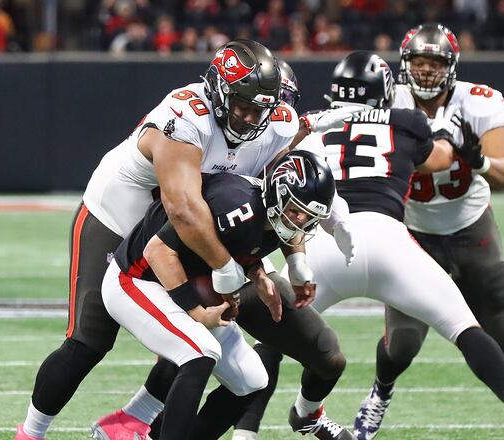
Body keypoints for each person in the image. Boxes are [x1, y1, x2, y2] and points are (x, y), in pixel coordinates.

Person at [15, 40, 356, 440]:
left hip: (192, 229)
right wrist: (230, 270)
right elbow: (182, 208)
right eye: (240, 105)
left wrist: (288, 261)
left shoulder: (276, 123)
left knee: (199, 332)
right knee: (89, 340)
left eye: (258, 109)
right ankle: (31, 433)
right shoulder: (184, 116)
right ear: (216, 91)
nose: (248, 118)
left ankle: (131, 420)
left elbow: (280, 194)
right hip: (123, 214)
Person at [234, 50, 504, 440]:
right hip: (387, 240)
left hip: (324, 239)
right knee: (464, 326)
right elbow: (440, 160)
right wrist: (445, 138)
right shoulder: (406, 122)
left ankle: (246, 431)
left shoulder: (311, 125)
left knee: (273, 337)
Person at [353, 23, 504, 440]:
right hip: (411, 231)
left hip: (470, 225)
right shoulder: (388, 98)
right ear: (404, 65)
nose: (427, 72)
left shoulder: (478, 102)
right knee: (403, 344)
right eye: (419, 62)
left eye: (435, 63)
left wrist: (481, 162)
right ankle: (380, 393)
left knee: (501, 329)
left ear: (451, 66)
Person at [100, 151, 335, 439]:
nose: (299, 222)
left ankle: (136, 426)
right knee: (200, 352)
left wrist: (257, 274)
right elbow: (158, 251)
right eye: (296, 210)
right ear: (278, 192)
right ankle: (131, 425)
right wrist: (196, 312)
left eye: (309, 217)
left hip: (177, 280)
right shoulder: (235, 205)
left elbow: (237, 246)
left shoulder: (275, 219)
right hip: (137, 278)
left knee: (252, 380)